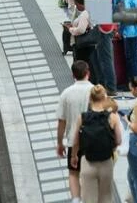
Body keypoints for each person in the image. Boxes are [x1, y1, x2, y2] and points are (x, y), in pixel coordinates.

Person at [71, 84, 122, 203]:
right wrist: (112, 147)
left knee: (89, 199)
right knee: (105, 197)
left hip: (88, 162)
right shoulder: (112, 117)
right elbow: (119, 140)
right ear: (104, 98)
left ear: (90, 99)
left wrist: (74, 156)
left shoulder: (82, 117)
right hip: (106, 162)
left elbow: (75, 141)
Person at [56, 60, 93, 203]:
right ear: (88, 73)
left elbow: (61, 121)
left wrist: (60, 143)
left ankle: (76, 200)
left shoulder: (66, 93)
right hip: (93, 140)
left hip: (73, 140)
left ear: (73, 75)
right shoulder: (95, 90)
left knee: (73, 173)